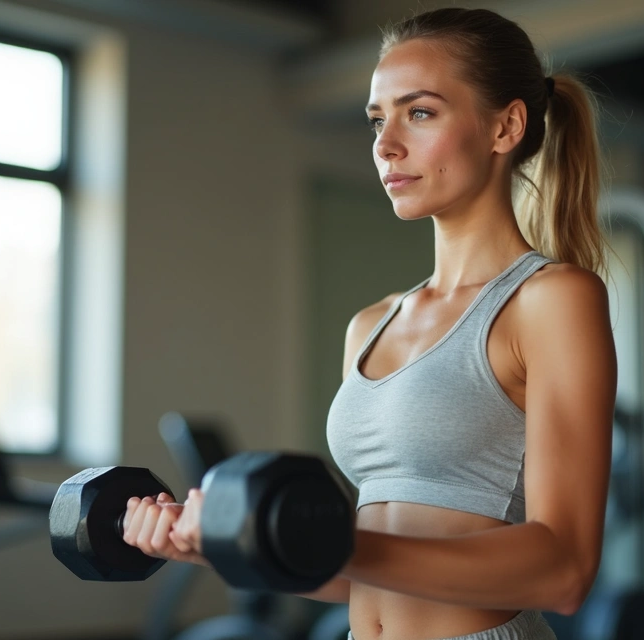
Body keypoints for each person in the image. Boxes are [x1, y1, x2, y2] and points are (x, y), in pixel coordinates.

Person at [121, 7, 616, 640]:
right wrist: (228, 545)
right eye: (378, 119)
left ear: (506, 126)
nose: (385, 144)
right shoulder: (371, 325)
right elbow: (368, 573)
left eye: (420, 112)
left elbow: (564, 571)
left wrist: (327, 539)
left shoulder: (552, 299)